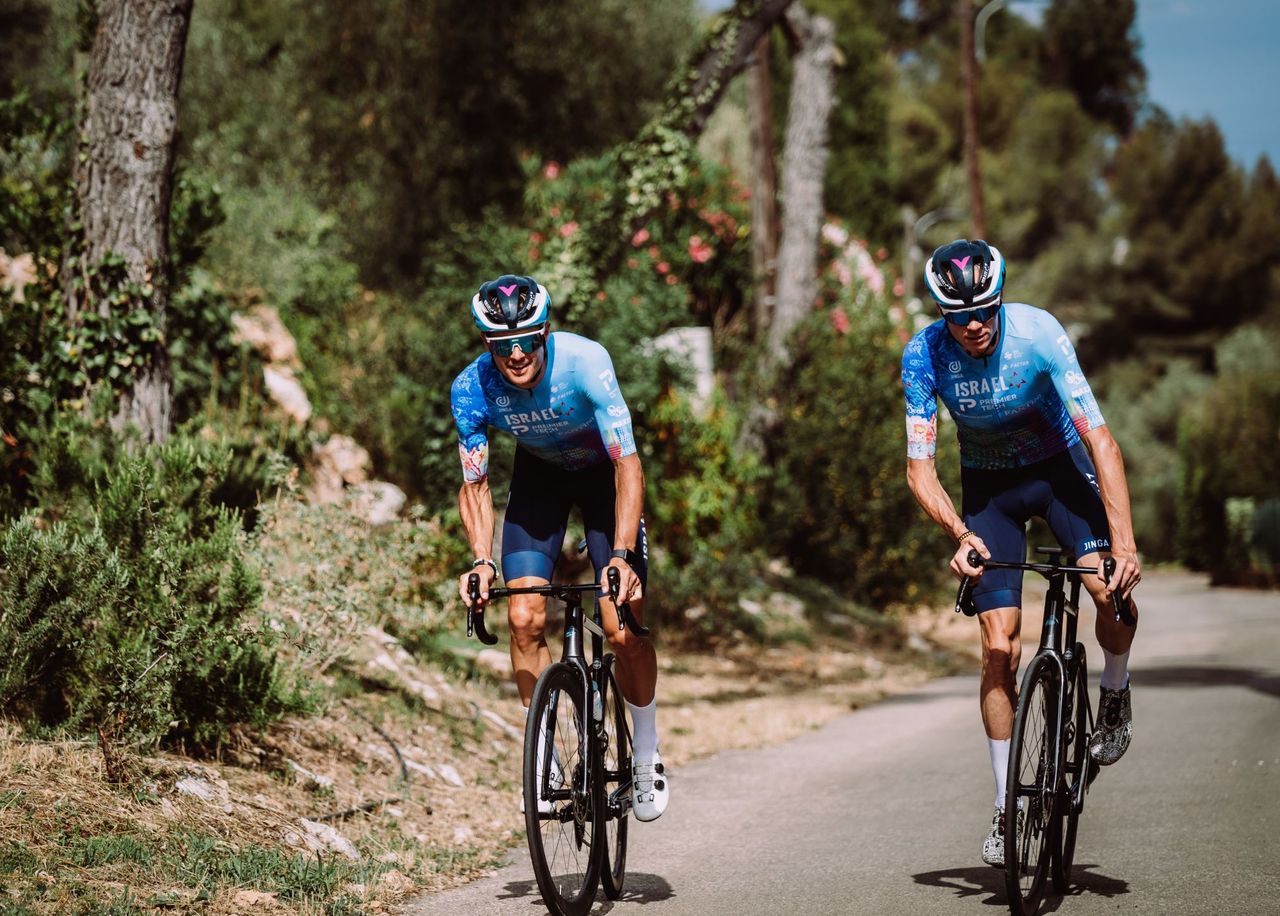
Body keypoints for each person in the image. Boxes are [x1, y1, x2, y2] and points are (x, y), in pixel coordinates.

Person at [901, 240, 1141, 867]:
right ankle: (1010, 808)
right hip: (988, 492)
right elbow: (919, 469)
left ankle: (1113, 693)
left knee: (1110, 592)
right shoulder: (923, 356)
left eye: (985, 309)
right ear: (941, 313)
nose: (975, 324)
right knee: (998, 649)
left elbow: (1101, 441)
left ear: (1001, 298)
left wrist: (1125, 543)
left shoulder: (1039, 334)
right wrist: (960, 534)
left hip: (1059, 473)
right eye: (959, 315)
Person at [450, 273, 669, 822]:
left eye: (528, 339)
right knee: (523, 616)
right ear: (486, 344)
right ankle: (544, 753)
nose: (518, 353)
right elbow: (474, 483)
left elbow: (627, 463)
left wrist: (620, 555)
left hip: (603, 479)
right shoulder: (471, 388)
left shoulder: (586, 362)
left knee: (622, 626)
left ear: (546, 332)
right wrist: (480, 559)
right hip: (539, 483)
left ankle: (645, 753)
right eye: (503, 345)